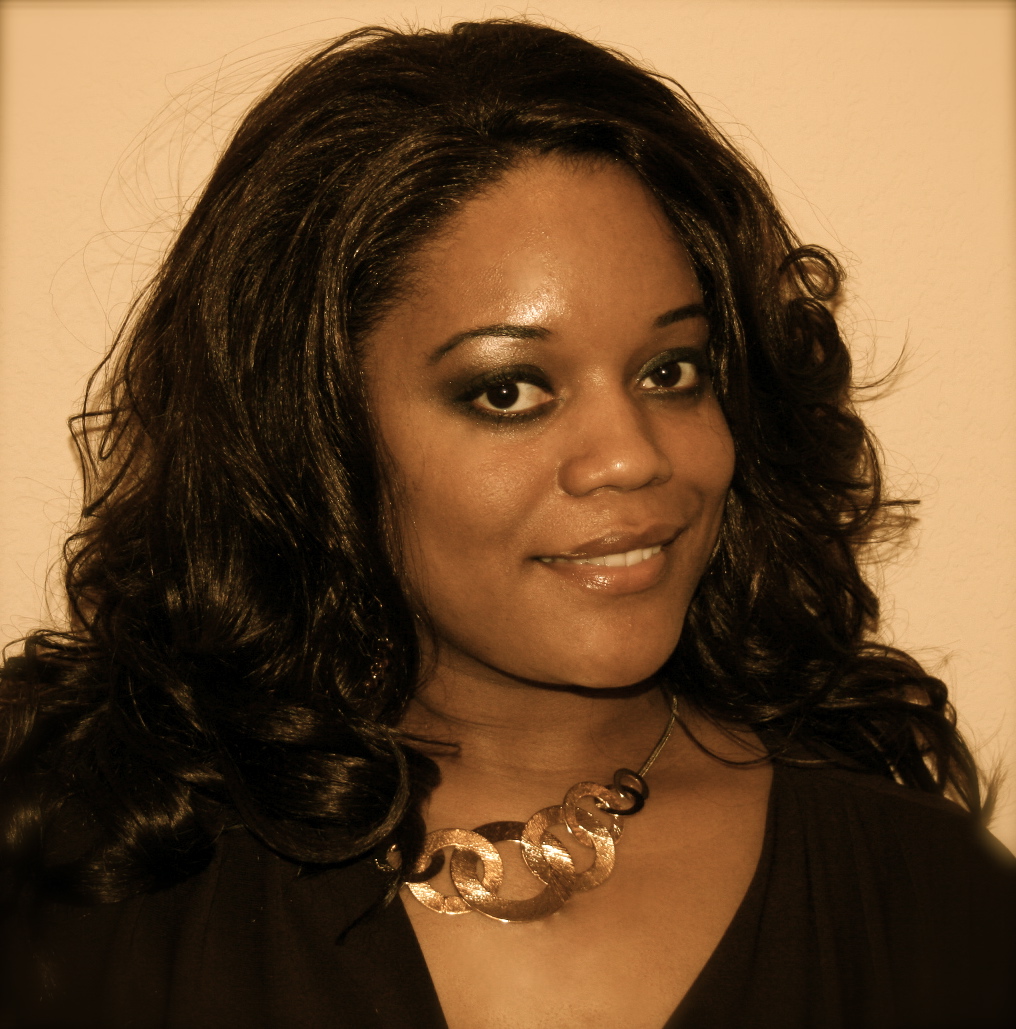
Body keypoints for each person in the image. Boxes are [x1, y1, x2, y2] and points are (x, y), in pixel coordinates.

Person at [0, 18, 1012, 1029]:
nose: (632, 456)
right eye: (508, 390)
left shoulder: (923, 897)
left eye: (671, 371)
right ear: (313, 431)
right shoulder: (82, 862)